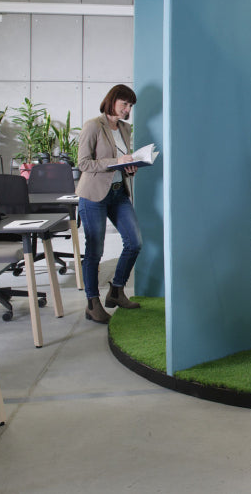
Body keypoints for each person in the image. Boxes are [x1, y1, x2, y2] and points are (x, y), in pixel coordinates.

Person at [76, 84, 143, 323]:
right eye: (125, 104)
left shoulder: (124, 128)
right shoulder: (93, 126)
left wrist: (130, 167)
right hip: (93, 194)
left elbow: (121, 162)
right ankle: (92, 303)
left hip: (118, 193)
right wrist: (115, 161)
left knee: (134, 242)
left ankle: (116, 291)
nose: (128, 109)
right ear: (112, 101)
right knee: (95, 250)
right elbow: (83, 163)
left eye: (131, 105)